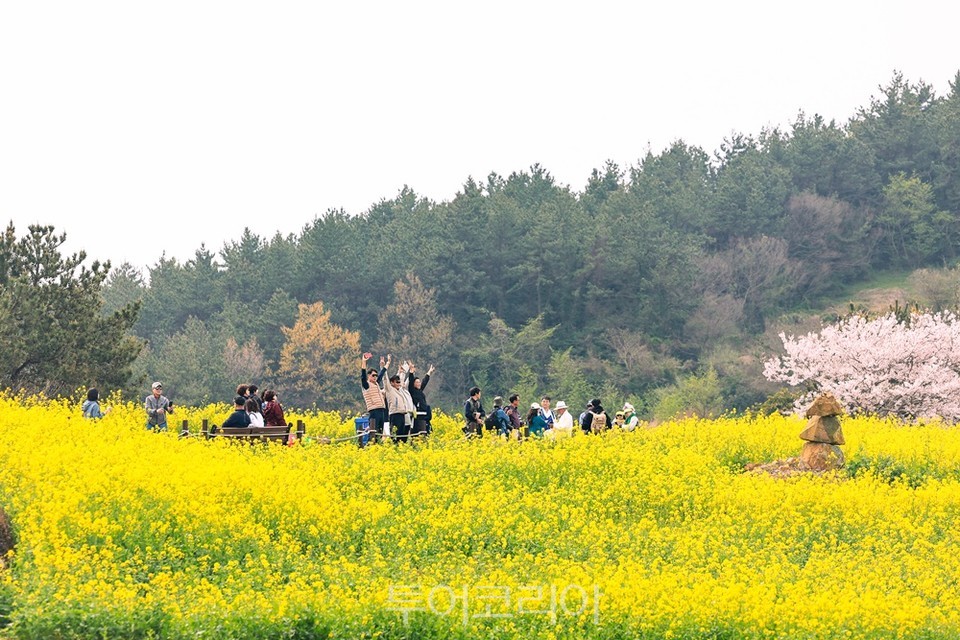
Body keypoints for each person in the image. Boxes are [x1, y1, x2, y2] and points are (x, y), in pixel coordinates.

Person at [384, 363, 416, 443]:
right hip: (395, 415)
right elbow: (385, 379)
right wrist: (384, 367)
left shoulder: (400, 391)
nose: (399, 384)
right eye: (397, 382)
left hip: (402, 415)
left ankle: (401, 448)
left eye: (399, 382)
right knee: (395, 435)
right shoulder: (390, 390)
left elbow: (401, 380)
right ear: (392, 383)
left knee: (402, 436)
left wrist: (402, 372)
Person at [360, 353, 388, 441]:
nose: (375, 377)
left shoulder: (376, 384)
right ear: (369, 376)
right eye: (373, 375)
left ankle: (377, 446)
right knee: (373, 432)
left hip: (381, 410)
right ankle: (371, 447)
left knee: (379, 432)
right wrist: (364, 361)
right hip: (374, 410)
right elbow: (363, 375)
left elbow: (381, 374)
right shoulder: (366, 385)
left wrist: (387, 364)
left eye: (376, 375)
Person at [407, 362, 435, 437]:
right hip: (418, 416)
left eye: (419, 382)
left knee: (425, 433)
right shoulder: (412, 391)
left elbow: (424, 382)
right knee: (418, 435)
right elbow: (410, 381)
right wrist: (411, 372)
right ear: (414, 384)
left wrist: (429, 372)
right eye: (417, 382)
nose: (419, 384)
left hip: (424, 415)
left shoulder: (420, 390)